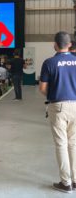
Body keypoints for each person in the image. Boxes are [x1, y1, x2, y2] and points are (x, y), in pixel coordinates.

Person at [39, 31, 76, 194]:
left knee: (61, 144)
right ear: (70, 45)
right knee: (74, 144)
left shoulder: (49, 63)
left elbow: (42, 88)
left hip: (58, 106)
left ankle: (65, 182)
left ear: (55, 44)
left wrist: (55, 92)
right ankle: (75, 181)